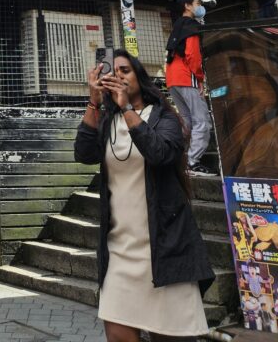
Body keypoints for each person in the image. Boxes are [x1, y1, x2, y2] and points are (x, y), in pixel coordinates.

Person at [75, 49, 214, 342]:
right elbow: (84, 153)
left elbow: (160, 152)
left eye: (126, 70)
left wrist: (126, 109)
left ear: (139, 76)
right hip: (120, 252)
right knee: (118, 335)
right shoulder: (108, 123)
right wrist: (94, 102)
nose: (119, 76)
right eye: (113, 71)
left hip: (164, 249)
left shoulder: (165, 117)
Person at [165, 0, 213, 175]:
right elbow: (192, 55)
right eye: (197, 3)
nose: (200, 6)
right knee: (202, 121)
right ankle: (192, 162)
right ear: (187, 6)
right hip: (186, 76)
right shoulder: (191, 26)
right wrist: (200, 78)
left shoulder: (177, 25)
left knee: (186, 121)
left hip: (172, 77)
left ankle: (180, 158)